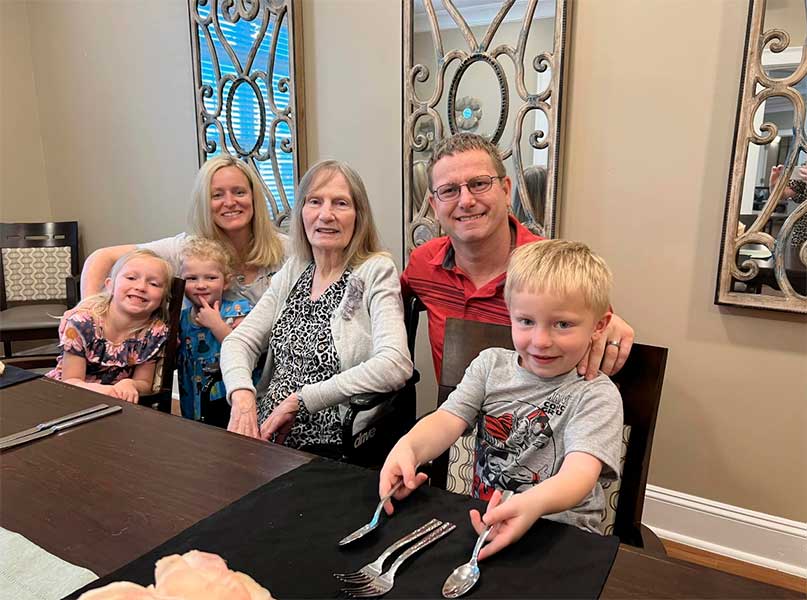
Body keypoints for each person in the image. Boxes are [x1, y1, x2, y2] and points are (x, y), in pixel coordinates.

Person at [380, 239, 623, 560]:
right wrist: (409, 447)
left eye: (562, 324)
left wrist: (532, 503)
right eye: (526, 321)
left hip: (562, 536)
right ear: (510, 314)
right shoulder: (489, 365)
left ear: (599, 326)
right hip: (486, 522)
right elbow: (447, 420)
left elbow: (578, 475)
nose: (540, 340)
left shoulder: (596, 393)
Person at [401, 132, 635, 379]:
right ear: (434, 205)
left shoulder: (552, 268)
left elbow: (595, 323)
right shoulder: (423, 264)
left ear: (505, 190)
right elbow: (383, 302)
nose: (466, 201)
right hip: (456, 403)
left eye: (479, 184)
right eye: (449, 190)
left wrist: (611, 326)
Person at [221, 160, 413, 452]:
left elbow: (395, 364)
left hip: (331, 440)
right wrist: (242, 395)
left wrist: (302, 400)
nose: (326, 215)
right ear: (301, 212)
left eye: (340, 203)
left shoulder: (375, 270)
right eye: (314, 201)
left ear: (359, 216)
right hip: (264, 427)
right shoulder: (295, 269)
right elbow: (239, 341)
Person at [80, 155, 286, 305]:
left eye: (239, 192)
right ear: (204, 203)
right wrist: (88, 315)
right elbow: (102, 257)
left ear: (253, 197)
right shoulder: (185, 250)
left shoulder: (287, 249)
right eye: (217, 195)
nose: (230, 202)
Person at [46, 249, 172, 403]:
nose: (141, 287)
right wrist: (105, 391)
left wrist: (131, 384)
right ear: (110, 285)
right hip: (68, 397)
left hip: (118, 403)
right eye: (131, 278)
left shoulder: (155, 333)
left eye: (154, 284)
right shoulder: (82, 323)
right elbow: (71, 381)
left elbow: (145, 383)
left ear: (163, 297)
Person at [177, 237, 259, 424]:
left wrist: (217, 325)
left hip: (229, 399)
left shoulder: (238, 311)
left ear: (226, 282)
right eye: (192, 278)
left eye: (211, 277)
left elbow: (245, 349)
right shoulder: (181, 319)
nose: (201, 285)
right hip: (193, 398)